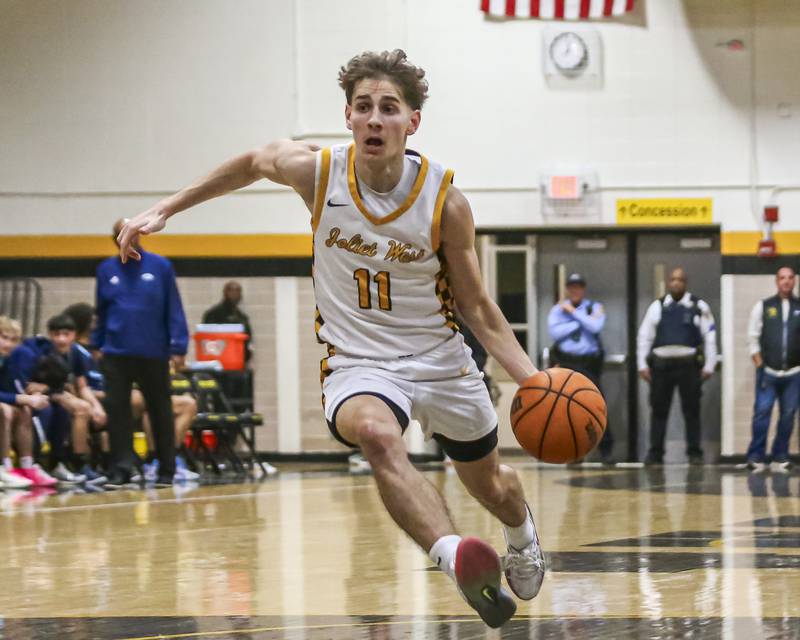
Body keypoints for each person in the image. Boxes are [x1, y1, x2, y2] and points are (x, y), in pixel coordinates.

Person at [116, 49, 545, 628]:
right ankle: (453, 556)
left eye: (388, 108)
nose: (374, 118)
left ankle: (520, 534)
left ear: (411, 122)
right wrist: (165, 209)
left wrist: (534, 382)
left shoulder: (446, 202)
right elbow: (252, 160)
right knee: (375, 434)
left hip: (441, 358)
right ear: (347, 116)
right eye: (363, 106)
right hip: (359, 361)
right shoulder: (320, 173)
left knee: (490, 484)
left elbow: (479, 309)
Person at [92, 220, 189, 487]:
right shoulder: (106, 269)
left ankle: (166, 469)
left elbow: (174, 308)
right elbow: (101, 311)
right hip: (115, 353)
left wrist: (179, 346)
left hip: (153, 352)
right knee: (118, 413)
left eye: (132, 233)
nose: (127, 238)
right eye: (121, 234)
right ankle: (122, 469)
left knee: (160, 411)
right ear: (116, 238)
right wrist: (96, 344)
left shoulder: (160, 267)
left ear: (139, 235)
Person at [9, 314, 108, 484]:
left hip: (53, 393)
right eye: (57, 334)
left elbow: (82, 386)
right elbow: (27, 385)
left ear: (74, 335)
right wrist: (51, 391)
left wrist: (97, 406)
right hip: (32, 397)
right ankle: (41, 462)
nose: (61, 339)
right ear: (49, 334)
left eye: (66, 334)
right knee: (65, 409)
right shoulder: (37, 350)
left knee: (77, 409)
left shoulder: (76, 353)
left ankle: (68, 463)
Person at [637, 268, 717, 465]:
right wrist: (641, 364)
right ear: (668, 282)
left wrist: (710, 365)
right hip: (661, 366)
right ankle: (655, 453)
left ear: (685, 282)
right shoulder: (658, 306)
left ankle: (694, 453)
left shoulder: (698, 306)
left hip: (688, 366)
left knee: (691, 411)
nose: (676, 283)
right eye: (673, 280)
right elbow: (644, 337)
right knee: (658, 410)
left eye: (680, 280)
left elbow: (710, 337)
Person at [547, 273, 614, 465]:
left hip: (589, 364)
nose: (575, 290)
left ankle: (606, 450)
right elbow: (555, 333)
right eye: (572, 287)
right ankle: (574, 452)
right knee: (567, 409)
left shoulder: (595, 307)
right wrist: (581, 321)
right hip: (567, 363)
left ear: (583, 289)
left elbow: (595, 327)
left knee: (597, 406)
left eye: (578, 287)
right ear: (568, 289)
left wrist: (574, 315)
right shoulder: (557, 310)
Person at [743, 266, 800, 472]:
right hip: (768, 371)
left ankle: (780, 456)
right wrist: (759, 364)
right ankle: (755, 456)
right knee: (762, 412)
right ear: (776, 281)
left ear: (794, 281)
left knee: (788, 414)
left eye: (790, 278)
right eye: (782, 278)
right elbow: (752, 337)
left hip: (794, 374)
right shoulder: (764, 306)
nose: (786, 281)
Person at [0, 316, 55, 488]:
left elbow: (12, 389)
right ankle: (5, 467)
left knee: (24, 409)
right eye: (4, 337)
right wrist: (24, 398)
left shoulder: (8, 359)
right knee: (5, 410)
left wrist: (34, 393)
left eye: (13, 340)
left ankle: (27, 466)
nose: (8, 344)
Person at [202, 281, 254, 361]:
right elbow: (207, 339)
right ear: (225, 293)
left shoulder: (242, 317)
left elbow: (248, 338)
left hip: (238, 361)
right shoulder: (213, 314)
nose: (235, 294)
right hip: (219, 361)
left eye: (238, 291)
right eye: (231, 290)